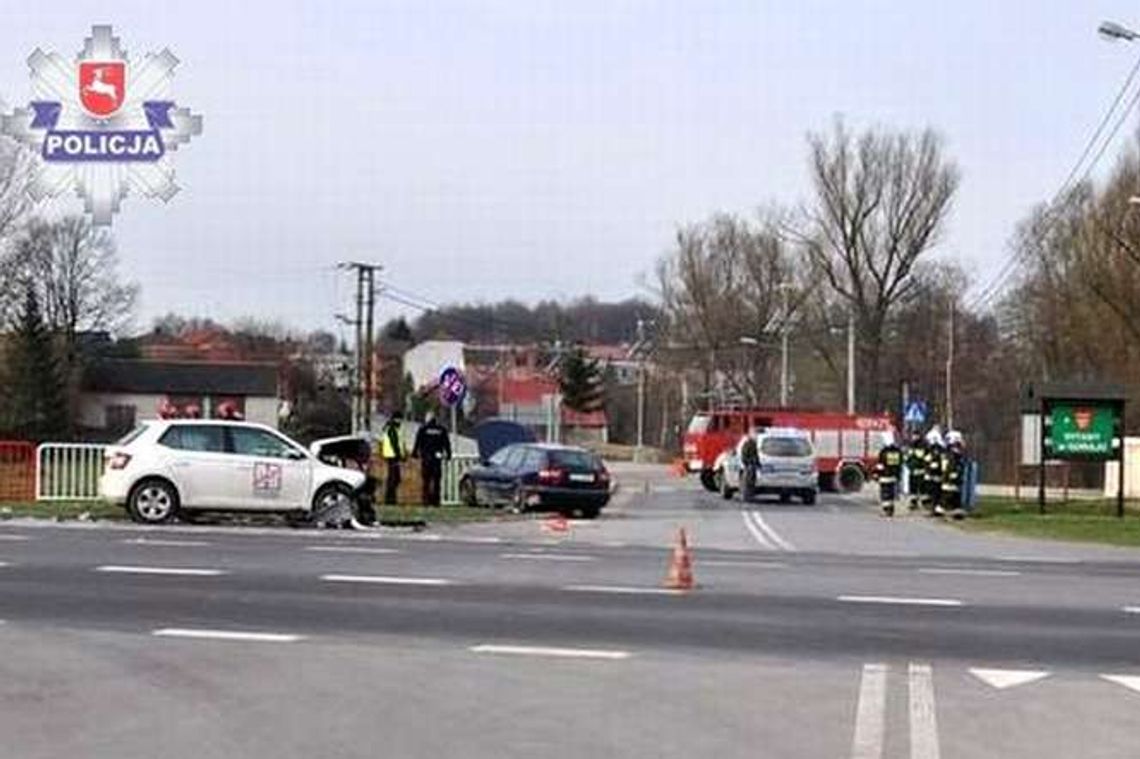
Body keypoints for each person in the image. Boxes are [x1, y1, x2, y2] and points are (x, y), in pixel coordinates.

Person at [412, 411, 452, 506]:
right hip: (437, 458)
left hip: (426, 458)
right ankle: (436, 501)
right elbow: (446, 443)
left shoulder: (423, 429)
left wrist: (415, 453)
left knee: (426, 481)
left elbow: (418, 442)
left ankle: (425, 501)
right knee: (437, 481)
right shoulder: (441, 429)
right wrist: (449, 454)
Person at [379, 411, 406, 505]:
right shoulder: (392, 428)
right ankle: (390, 499)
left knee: (394, 478)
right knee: (394, 478)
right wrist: (399, 455)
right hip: (393, 456)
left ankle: (391, 499)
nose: (400, 421)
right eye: (399, 419)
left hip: (391, 455)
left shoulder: (390, 427)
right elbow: (394, 443)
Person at [875, 431, 903, 517]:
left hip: (885, 476)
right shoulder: (898, 451)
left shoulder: (883, 452)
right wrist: (898, 475)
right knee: (891, 493)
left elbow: (880, 465)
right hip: (894, 476)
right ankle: (891, 510)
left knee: (885, 493)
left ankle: (886, 510)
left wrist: (876, 474)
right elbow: (900, 463)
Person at [941, 430, 968, 520]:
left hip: (949, 479)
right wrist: (954, 475)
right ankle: (951, 512)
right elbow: (952, 466)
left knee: (953, 496)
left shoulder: (949, 453)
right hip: (950, 479)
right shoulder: (952, 454)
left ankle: (953, 512)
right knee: (951, 496)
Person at [923, 426, 946, 516]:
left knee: (935, 492)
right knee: (934, 492)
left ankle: (935, 509)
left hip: (936, 475)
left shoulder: (937, 450)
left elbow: (931, 460)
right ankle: (934, 509)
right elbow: (927, 460)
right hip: (933, 474)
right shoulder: (935, 449)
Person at [904, 430, 926, 511]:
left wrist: (913, 452)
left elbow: (921, 455)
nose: (914, 437)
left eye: (915, 436)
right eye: (913, 436)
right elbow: (908, 456)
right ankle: (913, 502)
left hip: (920, 469)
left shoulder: (922, 444)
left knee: (921, 487)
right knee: (913, 487)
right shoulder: (911, 444)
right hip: (912, 469)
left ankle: (924, 503)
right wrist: (907, 462)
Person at [740, 428, 760, 502]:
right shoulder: (748, 443)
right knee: (747, 481)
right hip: (749, 465)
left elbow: (756, 455)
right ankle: (746, 496)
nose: (756, 436)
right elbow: (744, 455)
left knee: (752, 481)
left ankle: (750, 496)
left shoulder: (754, 443)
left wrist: (758, 464)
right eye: (754, 434)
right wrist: (747, 463)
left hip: (752, 465)